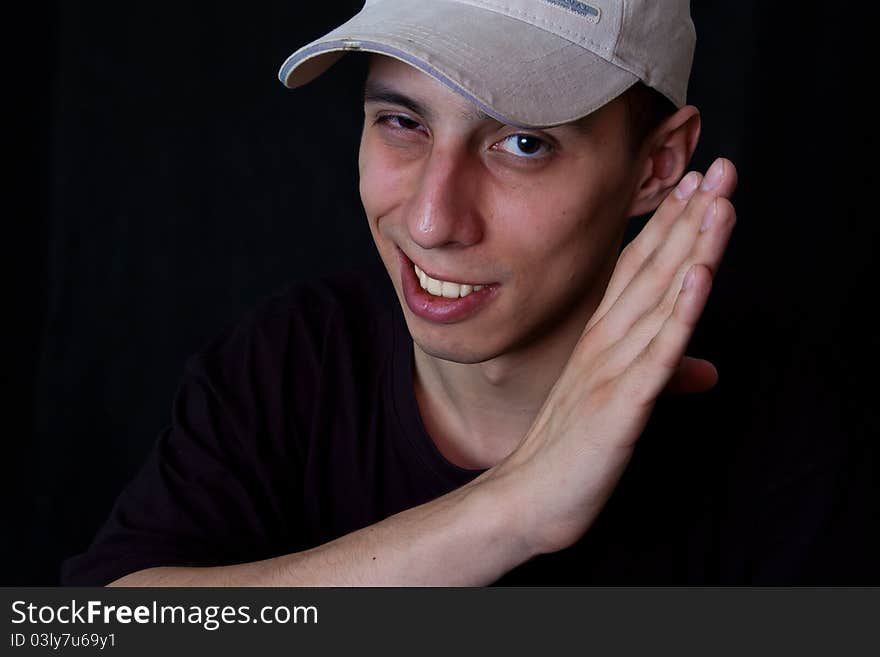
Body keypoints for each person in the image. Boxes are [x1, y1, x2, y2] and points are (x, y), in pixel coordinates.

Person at [62, 0, 740, 586]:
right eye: (403, 122)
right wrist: (511, 510)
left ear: (657, 166)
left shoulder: (784, 429)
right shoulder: (286, 361)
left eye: (524, 142)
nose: (429, 221)